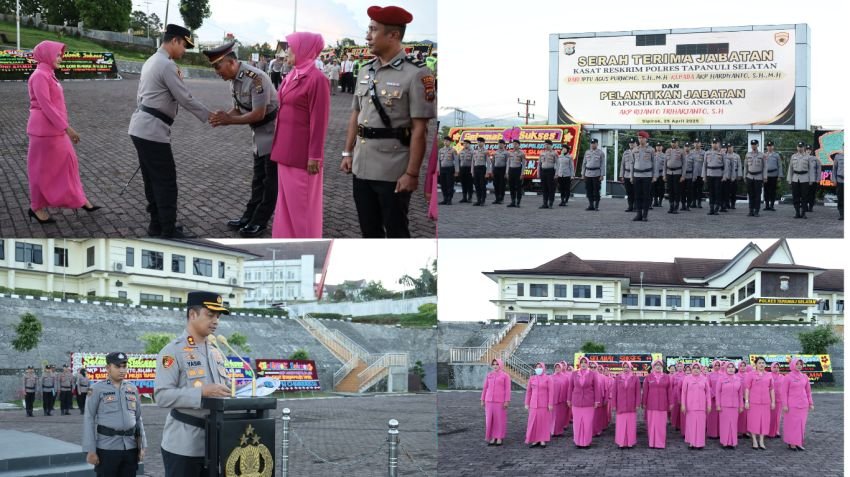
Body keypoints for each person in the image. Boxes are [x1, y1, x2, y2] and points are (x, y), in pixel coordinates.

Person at [340, 5, 437, 238]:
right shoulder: (365, 71)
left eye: (373, 30)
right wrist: (347, 153)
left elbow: (419, 129)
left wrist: (412, 174)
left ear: (393, 35)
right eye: (368, 29)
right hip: (361, 166)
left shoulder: (417, 74)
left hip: (393, 169)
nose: (367, 36)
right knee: (369, 230)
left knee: (396, 232)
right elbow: (356, 114)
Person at [128, 24, 211, 238]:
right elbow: (185, 98)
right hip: (152, 130)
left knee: (152, 180)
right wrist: (210, 116)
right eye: (183, 45)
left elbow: (140, 96)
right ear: (174, 41)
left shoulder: (151, 61)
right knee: (166, 182)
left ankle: (157, 225)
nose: (184, 50)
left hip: (142, 127)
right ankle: (168, 230)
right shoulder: (165, 65)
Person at [205, 41, 281, 238]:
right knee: (258, 180)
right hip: (259, 135)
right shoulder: (233, 80)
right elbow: (239, 108)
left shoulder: (256, 78)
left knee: (269, 182)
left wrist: (229, 120)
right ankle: (249, 217)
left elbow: (258, 113)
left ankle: (260, 221)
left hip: (273, 135)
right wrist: (223, 117)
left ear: (230, 63)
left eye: (217, 67)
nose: (216, 72)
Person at [155, 291, 233, 476]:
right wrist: (201, 392)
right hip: (184, 445)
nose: (216, 321)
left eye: (218, 316)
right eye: (210, 315)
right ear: (192, 314)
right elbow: (161, 396)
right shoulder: (172, 351)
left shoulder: (216, 352)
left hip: (216, 444)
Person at [26, 40, 100, 224]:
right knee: (40, 170)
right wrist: (68, 128)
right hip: (43, 132)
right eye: (57, 54)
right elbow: (46, 106)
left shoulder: (48, 74)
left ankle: (80, 199)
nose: (60, 58)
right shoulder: (39, 76)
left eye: (60, 54)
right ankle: (36, 207)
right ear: (46, 55)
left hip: (55, 130)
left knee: (69, 162)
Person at [268, 32, 330, 238]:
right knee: (285, 208)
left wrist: (315, 156)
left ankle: (304, 243)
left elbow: (319, 121)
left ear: (304, 49)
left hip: (303, 157)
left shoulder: (317, 79)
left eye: (292, 48)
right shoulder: (292, 75)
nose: (287, 52)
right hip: (284, 151)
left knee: (302, 210)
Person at [82, 352, 147, 477]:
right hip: (107, 449)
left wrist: (142, 445)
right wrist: (90, 450)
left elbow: (138, 419)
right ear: (108, 368)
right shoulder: (96, 389)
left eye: (124, 366)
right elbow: (89, 419)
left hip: (130, 447)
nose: (122, 370)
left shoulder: (132, 388)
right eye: (118, 366)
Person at [569, 356, 600, 448]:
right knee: (577, 423)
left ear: (587, 364)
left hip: (589, 402)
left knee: (587, 423)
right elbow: (570, 388)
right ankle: (578, 442)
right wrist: (568, 399)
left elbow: (596, 388)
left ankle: (586, 442)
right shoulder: (574, 374)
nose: (583, 364)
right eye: (582, 362)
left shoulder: (592, 374)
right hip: (576, 402)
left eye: (585, 362)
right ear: (579, 364)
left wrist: (597, 401)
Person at [782, 358, 814, 451]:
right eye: (797, 364)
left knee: (801, 425)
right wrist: (785, 405)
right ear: (792, 365)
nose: (799, 365)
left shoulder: (805, 377)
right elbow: (784, 392)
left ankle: (798, 442)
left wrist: (810, 403)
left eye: (801, 364)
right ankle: (791, 443)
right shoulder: (787, 377)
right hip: (792, 405)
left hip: (803, 405)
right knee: (792, 424)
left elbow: (808, 391)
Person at [744, 356, 775, 450]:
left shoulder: (769, 375)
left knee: (764, 422)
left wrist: (773, 401)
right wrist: (746, 401)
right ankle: (754, 440)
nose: (761, 364)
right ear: (756, 365)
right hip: (754, 402)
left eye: (763, 363)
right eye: (759, 363)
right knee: (754, 421)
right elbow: (747, 388)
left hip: (765, 402)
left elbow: (772, 389)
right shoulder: (750, 374)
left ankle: (761, 440)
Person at [642, 360, 673, 449]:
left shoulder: (667, 377)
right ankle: (652, 443)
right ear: (653, 367)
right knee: (651, 424)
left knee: (661, 425)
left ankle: (660, 443)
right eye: (656, 365)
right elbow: (645, 391)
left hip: (663, 405)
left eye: (660, 365)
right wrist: (644, 403)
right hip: (651, 405)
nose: (658, 367)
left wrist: (671, 403)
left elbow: (669, 391)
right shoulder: (649, 377)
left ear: (662, 367)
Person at [481, 358, 511, 446]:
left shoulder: (505, 376)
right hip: (489, 401)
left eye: (497, 364)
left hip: (500, 401)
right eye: (493, 364)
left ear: (500, 365)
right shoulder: (489, 375)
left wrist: (507, 401)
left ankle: (499, 437)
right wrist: (482, 399)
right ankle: (493, 437)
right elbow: (485, 388)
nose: (495, 366)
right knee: (490, 420)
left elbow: (507, 390)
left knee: (499, 420)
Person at [682, 362, 711, 449]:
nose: (696, 369)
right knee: (691, 425)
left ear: (700, 369)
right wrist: (683, 405)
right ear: (691, 369)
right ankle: (691, 443)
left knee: (701, 425)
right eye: (694, 368)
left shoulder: (704, 379)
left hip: (701, 406)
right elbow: (683, 393)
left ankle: (700, 443)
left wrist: (709, 404)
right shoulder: (687, 378)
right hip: (690, 406)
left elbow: (708, 393)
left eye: (697, 368)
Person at [611, 361, 640, 449]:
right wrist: (614, 404)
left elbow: (638, 392)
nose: (626, 368)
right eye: (624, 367)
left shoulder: (635, 378)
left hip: (631, 405)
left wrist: (637, 403)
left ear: (630, 368)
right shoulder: (618, 378)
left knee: (631, 425)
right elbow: (614, 392)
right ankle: (621, 442)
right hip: (621, 405)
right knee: (620, 425)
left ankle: (630, 442)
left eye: (628, 367)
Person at [525, 362, 553, 448]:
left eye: (540, 367)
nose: (538, 368)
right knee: (533, 422)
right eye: (537, 367)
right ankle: (535, 439)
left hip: (544, 404)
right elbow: (528, 392)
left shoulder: (548, 378)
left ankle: (542, 439)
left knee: (543, 422)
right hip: (533, 404)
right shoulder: (532, 378)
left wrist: (550, 403)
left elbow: (551, 392)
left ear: (544, 368)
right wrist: (527, 403)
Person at [716, 361, 744, 449]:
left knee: (733, 424)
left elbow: (740, 394)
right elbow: (717, 392)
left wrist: (741, 405)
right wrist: (718, 405)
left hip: (735, 406)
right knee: (725, 424)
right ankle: (724, 442)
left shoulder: (738, 379)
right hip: (724, 405)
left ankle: (732, 442)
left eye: (732, 367)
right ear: (725, 369)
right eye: (729, 367)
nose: (731, 369)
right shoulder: (721, 379)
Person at [630, 131, 656, 221]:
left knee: (646, 196)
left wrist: (654, 176)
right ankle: (638, 214)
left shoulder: (651, 150)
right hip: (637, 175)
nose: (640, 139)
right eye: (639, 138)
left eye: (642, 138)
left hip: (647, 175)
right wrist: (631, 176)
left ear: (646, 139)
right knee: (637, 195)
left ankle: (645, 215)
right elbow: (631, 164)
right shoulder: (634, 150)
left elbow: (654, 164)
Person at [787, 142, 812, 219]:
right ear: (797, 147)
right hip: (795, 178)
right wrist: (789, 179)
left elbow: (811, 169)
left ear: (804, 147)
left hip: (805, 178)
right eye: (799, 146)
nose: (800, 148)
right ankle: (797, 212)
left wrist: (811, 180)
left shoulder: (808, 157)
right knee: (796, 196)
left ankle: (804, 213)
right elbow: (790, 168)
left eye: (801, 147)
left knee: (804, 196)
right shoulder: (793, 156)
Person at [702, 138, 726, 216]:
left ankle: (717, 207)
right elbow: (704, 165)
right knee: (711, 192)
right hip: (709, 174)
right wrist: (704, 176)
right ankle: (711, 208)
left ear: (718, 144)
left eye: (716, 143)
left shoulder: (722, 153)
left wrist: (724, 176)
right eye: (713, 143)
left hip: (718, 175)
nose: (714, 144)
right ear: (711, 144)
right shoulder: (707, 153)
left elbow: (726, 166)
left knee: (717, 192)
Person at [581, 138, 606, 211]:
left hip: (596, 174)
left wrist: (602, 175)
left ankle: (596, 205)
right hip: (588, 174)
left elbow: (602, 165)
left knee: (596, 190)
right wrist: (583, 174)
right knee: (589, 190)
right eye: (591, 143)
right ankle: (591, 205)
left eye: (594, 143)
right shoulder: (587, 152)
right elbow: (584, 164)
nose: (592, 144)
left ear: (597, 144)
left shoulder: (601, 153)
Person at [745, 139, 767, 217]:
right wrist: (745, 176)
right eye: (752, 144)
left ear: (757, 145)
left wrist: (764, 177)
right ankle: (751, 210)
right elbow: (746, 166)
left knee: (757, 194)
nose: (753, 146)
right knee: (750, 194)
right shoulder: (748, 154)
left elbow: (765, 167)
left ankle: (756, 210)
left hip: (758, 177)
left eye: (755, 144)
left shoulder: (762, 155)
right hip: (750, 176)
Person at [664, 138, 684, 213]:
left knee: (677, 190)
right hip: (669, 173)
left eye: (675, 142)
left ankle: (676, 207)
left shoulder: (681, 151)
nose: (673, 144)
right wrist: (664, 175)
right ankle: (671, 206)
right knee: (670, 190)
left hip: (677, 173)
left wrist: (683, 175)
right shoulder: (667, 151)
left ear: (677, 143)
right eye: (672, 142)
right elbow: (665, 164)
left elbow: (684, 164)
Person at [438, 136, 459, 205]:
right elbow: (438, 161)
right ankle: (445, 198)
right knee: (443, 185)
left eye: (447, 141)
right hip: (442, 169)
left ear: (450, 142)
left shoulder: (453, 150)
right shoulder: (441, 150)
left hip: (450, 169)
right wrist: (438, 170)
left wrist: (456, 171)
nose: (445, 142)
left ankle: (449, 199)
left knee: (450, 184)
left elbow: (456, 161)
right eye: (444, 141)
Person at [538, 139, 558, 208]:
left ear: (550, 145)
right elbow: (539, 164)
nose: (545, 146)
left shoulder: (554, 153)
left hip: (551, 171)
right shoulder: (542, 153)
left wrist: (556, 174)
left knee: (551, 188)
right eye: (545, 144)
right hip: (543, 171)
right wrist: (538, 172)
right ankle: (545, 203)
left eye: (547, 144)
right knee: (544, 188)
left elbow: (557, 164)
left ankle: (551, 203)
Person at [550, 362, 568, 437]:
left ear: (561, 368)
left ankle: (559, 431)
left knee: (560, 416)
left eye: (559, 367)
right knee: (552, 416)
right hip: (553, 400)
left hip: (562, 400)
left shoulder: (565, 377)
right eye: (556, 367)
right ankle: (552, 430)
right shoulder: (550, 377)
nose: (557, 368)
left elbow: (568, 388)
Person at [763, 141, 783, 211]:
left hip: (774, 175)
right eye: (768, 146)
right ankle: (767, 205)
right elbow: (762, 166)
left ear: (773, 147)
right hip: (766, 175)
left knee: (773, 191)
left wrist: (779, 176)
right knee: (766, 191)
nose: (769, 147)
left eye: (771, 146)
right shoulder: (764, 155)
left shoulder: (776, 155)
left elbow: (780, 165)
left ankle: (772, 205)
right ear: (766, 147)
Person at [472, 137, 491, 206]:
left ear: (483, 143)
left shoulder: (486, 151)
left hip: (482, 169)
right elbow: (473, 162)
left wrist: (487, 172)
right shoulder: (475, 151)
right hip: (476, 169)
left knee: (482, 185)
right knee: (476, 185)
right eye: (478, 142)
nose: (479, 143)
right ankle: (478, 200)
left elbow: (488, 163)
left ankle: (483, 200)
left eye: (480, 142)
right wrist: (472, 172)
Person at [506, 139, 526, 208]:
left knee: (518, 187)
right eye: (513, 144)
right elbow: (508, 163)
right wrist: (507, 172)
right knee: (511, 187)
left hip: (518, 170)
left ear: (519, 145)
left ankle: (518, 202)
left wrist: (522, 173)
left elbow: (523, 164)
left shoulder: (522, 153)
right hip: (511, 170)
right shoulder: (510, 153)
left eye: (516, 144)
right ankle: (513, 201)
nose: (514, 145)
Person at [706, 360, 722, 439]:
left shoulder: (723, 375)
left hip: (721, 399)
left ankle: (719, 433)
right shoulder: (709, 375)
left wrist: (720, 395)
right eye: (715, 365)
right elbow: (708, 386)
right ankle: (712, 433)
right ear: (713, 366)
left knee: (720, 416)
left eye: (718, 365)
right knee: (712, 416)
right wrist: (714, 395)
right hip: (712, 399)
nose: (717, 367)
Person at [768, 362, 784, 438]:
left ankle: (776, 431)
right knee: (770, 416)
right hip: (770, 399)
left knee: (778, 416)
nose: (776, 369)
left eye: (777, 367)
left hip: (779, 399)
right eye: (774, 367)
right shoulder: (768, 376)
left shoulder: (782, 377)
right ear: (771, 368)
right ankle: (769, 431)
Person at [619, 138, 636, 212]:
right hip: (626, 174)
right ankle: (630, 206)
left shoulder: (638, 151)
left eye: (633, 143)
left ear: (636, 143)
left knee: (636, 192)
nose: (631, 144)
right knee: (629, 192)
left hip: (636, 174)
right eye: (630, 143)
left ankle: (636, 206)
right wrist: (621, 175)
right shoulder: (625, 152)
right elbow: (622, 164)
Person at [491, 140, 509, 204]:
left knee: (502, 185)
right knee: (495, 184)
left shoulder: (506, 153)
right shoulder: (495, 153)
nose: (500, 145)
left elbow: (507, 163)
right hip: (496, 169)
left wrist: (506, 172)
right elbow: (493, 163)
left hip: (503, 169)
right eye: (499, 144)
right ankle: (496, 198)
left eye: (502, 144)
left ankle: (501, 199)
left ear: (504, 145)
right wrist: (492, 171)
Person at [689, 139, 706, 208]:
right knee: (693, 189)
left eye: (698, 143)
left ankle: (699, 202)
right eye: (695, 143)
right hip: (692, 174)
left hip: (700, 173)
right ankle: (693, 202)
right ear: (693, 144)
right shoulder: (690, 152)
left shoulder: (704, 153)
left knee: (700, 189)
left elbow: (705, 164)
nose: (696, 144)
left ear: (700, 144)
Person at [725, 143, 742, 210]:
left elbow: (739, 166)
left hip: (734, 175)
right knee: (726, 191)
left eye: (731, 147)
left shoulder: (737, 156)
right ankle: (727, 203)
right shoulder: (725, 155)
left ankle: (733, 204)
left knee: (733, 191)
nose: (729, 148)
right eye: (728, 147)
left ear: (733, 148)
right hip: (726, 176)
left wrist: (739, 175)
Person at [806, 145, 821, 212]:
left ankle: (811, 206)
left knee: (812, 194)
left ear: (811, 151)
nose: (808, 151)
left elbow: (818, 170)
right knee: (804, 194)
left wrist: (818, 179)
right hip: (805, 179)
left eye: (809, 150)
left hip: (813, 179)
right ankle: (805, 206)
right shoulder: (802, 158)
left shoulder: (815, 159)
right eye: (807, 149)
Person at [652, 142, 666, 207]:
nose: (658, 147)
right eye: (657, 146)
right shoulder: (653, 155)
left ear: (662, 147)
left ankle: (660, 201)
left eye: (660, 146)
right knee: (654, 188)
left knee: (661, 188)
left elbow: (666, 166)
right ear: (655, 147)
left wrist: (664, 175)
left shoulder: (664, 155)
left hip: (661, 174)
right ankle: (655, 201)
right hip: (654, 174)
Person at [832, 151, 844, 220]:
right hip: (840, 180)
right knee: (840, 198)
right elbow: (834, 169)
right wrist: (834, 180)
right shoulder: (838, 156)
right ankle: (841, 214)